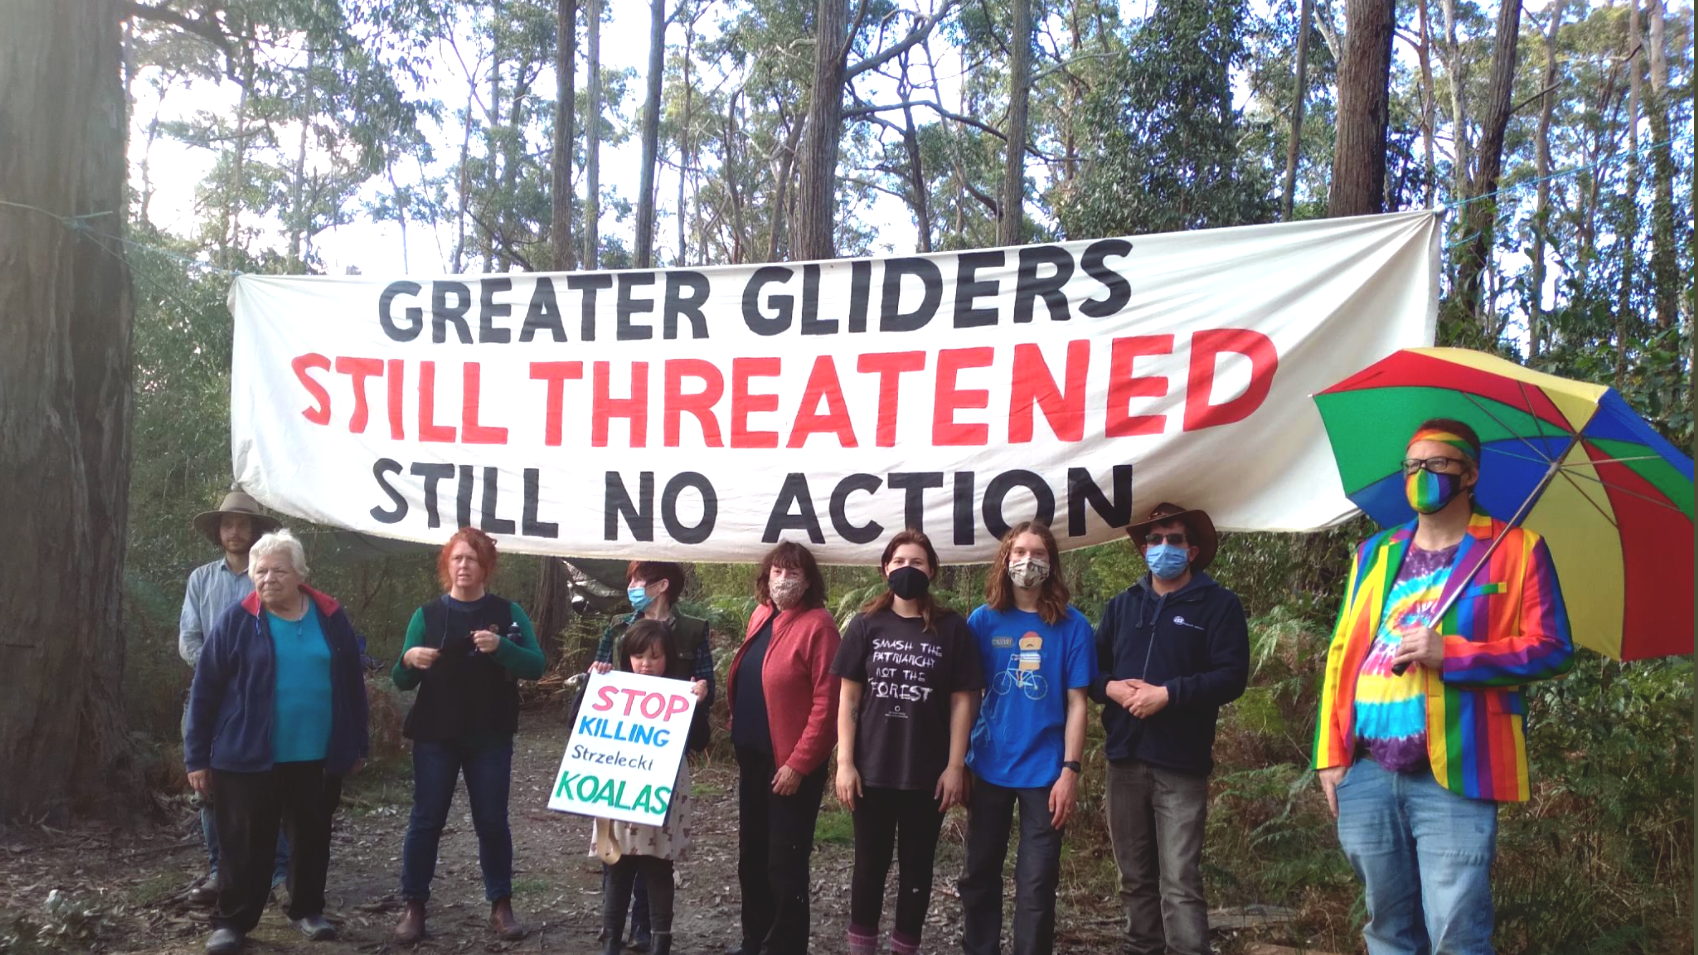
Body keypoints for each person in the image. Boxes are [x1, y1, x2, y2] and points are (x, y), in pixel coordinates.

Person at [1315, 419, 1574, 955]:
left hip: (1458, 767)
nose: (1421, 475)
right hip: (1366, 768)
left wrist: (1450, 653)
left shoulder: (1516, 548)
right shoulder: (1375, 552)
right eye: (1412, 465)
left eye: (1437, 464)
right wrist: (1329, 754)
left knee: (1456, 930)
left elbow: (1551, 647)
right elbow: (1342, 654)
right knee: (1385, 926)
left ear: (1470, 473)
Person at [183, 529, 369, 955]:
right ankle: (233, 921)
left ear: (300, 573)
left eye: (278, 570)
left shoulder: (329, 615)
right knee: (244, 843)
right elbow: (205, 691)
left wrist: (357, 742)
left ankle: (307, 909)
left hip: (317, 754)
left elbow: (351, 684)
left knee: (311, 837)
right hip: (247, 756)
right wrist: (197, 756)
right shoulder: (237, 620)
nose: (268, 579)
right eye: (260, 571)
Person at [1091, 503, 1249, 955]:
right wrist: (1113, 689)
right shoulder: (1122, 606)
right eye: (1156, 540)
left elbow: (1231, 676)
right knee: (1134, 877)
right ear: (1143, 550)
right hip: (1123, 759)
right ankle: (1142, 948)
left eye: (1174, 539)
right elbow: (1091, 671)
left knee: (1179, 879)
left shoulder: (1219, 605)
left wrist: (1169, 694)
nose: (1164, 547)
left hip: (1181, 762)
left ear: (1192, 549)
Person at [390, 528, 546, 944]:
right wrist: (408, 660)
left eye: (471, 560)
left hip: (489, 734)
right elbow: (400, 680)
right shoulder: (427, 615)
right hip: (435, 734)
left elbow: (535, 665)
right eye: (457, 559)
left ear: (486, 567)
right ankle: (414, 907)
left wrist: (502, 648)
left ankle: (501, 906)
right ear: (447, 565)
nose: (463, 566)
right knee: (425, 820)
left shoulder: (507, 611)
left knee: (492, 821)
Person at [831, 530, 983, 955]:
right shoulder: (865, 624)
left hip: (927, 773)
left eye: (916, 562)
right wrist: (845, 762)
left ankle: (904, 949)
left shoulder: (952, 629)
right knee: (869, 868)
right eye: (899, 562)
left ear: (932, 570)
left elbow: (963, 701)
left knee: (917, 871)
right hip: (871, 770)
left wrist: (956, 765)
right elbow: (849, 697)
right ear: (885, 569)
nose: (907, 569)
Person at [958, 521, 1095, 955]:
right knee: (979, 872)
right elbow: (966, 697)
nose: (1027, 561)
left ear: (1051, 563)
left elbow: (1078, 703)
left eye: (1037, 552)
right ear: (1005, 560)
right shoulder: (983, 620)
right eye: (1018, 552)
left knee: (1037, 881)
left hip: (1046, 772)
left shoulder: (1074, 627)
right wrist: (957, 761)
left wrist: (1070, 770)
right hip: (989, 764)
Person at [593, 560, 716, 952]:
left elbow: (705, 688)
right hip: (618, 760)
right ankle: (612, 931)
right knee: (618, 857)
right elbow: (595, 694)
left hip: (665, 761)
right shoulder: (616, 627)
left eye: (637, 580)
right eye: (629, 579)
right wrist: (596, 678)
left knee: (656, 858)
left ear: (662, 585)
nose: (631, 585)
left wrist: (699, 694)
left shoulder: (694, 630)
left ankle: (649, 931)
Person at [725, 541, 842, 955]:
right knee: (751, 859)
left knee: (784, 866)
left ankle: (785, 947)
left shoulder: (819, 625)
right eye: (777, 571)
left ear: (808, 579)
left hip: (790, 768)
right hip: (752, 759)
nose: (783, 579)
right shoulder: (761, 616)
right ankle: (753, 941)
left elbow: (829, 705)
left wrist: (799, 764)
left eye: (793, 572)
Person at [178, 489, 288, 906]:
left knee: (270, 780)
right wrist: (215, 671)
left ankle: (278, 874)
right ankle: (219, 871)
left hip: (262, 699)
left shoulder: (271, 577)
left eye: (243, 524)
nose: (235, 531)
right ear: (218, 531)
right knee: (206, 786)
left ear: (255, 531)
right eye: (228, 524)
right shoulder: (201, 579)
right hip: (208, 698)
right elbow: (189, 637)